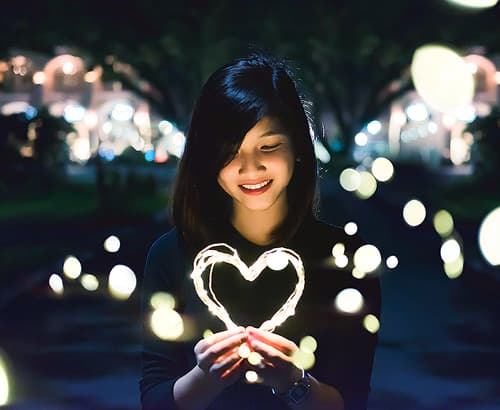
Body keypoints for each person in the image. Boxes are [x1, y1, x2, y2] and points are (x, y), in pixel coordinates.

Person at [140, 54, 381, 410]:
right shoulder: (171, 255)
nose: (250, 168)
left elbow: (351, 400)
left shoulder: (345, 259)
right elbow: (154, 400)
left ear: (298, 148)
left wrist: (292, 381)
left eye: (268, 147)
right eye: (229, 152)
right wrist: (206, 376)